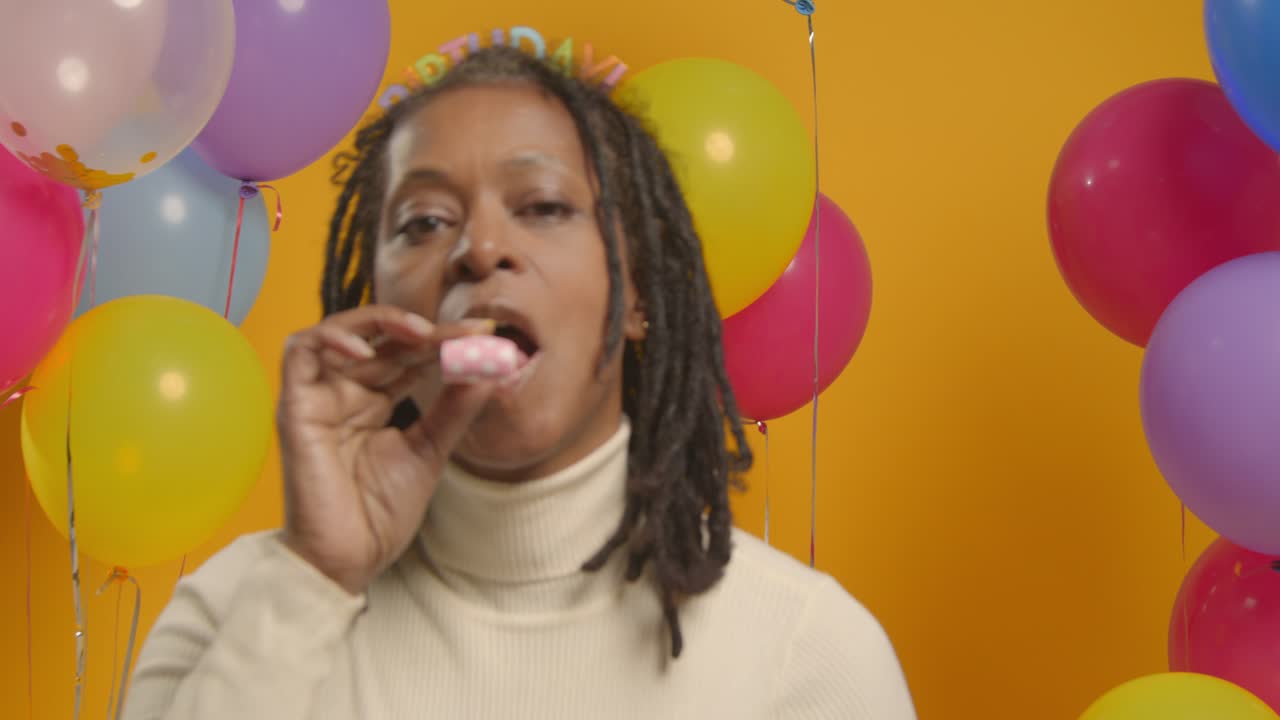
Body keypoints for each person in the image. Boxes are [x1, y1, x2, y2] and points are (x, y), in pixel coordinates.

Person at [123, 46, 916, 719]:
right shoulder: (233, 612)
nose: (481, 247)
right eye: (424, 222)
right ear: (381, 299)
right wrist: (313, 579)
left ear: (634, 294)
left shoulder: (809, 662)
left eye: (541, 205)